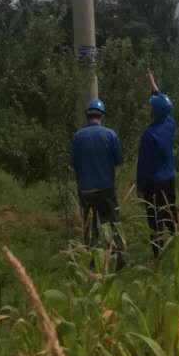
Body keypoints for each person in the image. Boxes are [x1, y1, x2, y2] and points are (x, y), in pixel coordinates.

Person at [69, 97, 125, 267]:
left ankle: (91, 262)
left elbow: (73, 163)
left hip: (85, 190)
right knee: (111, 224)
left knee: (89, 227)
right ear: (101, 116)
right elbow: (118, 160)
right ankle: (117, 259)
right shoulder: (110, 135)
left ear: (87, 115)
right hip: (105, 188)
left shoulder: (77, 137)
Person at [136, 70, 178, 259]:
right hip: (169, 179)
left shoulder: (149, 135)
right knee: (170, 211)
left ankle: (158, 253)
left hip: (152, 183)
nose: (150, 109)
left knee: (154, 218)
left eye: (151, 107)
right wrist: (152, 83)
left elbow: (143, 164)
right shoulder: (170, 123)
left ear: (155, 112)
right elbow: (163, 103)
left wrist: (139, 186)